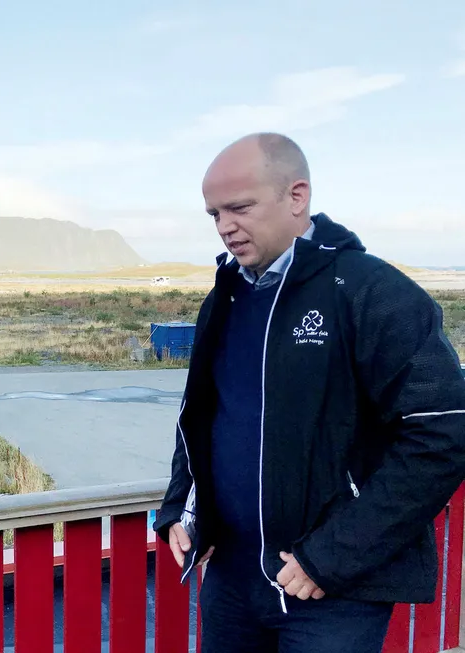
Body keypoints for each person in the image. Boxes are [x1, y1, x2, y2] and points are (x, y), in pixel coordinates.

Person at [151, 132, 465, 652]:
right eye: (214, 214)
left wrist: (333, 556)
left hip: (331, 590)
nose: (226, 226)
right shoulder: (225, 297)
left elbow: (444, 431)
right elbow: (201, 418)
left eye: (240, 207)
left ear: (297, 197)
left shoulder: (369, 291)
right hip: (230, 578)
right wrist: (179, 508)